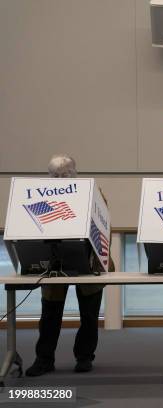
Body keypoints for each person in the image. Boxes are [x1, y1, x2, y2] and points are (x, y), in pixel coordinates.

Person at [25, 154, 114, 377]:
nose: (61, 179)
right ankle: (44, 359)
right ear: (48, 177)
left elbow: (104, 227)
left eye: (66, 174)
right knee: (50, 314)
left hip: (88, 261)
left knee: (89, 314)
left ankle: (84, 357)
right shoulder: (40, 197)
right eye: (55, 175)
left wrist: (100, 258)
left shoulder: (94, 194)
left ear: (76, 173)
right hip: (54, 262)